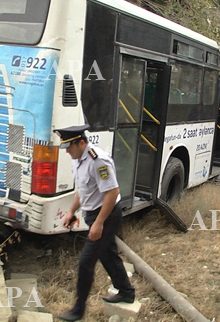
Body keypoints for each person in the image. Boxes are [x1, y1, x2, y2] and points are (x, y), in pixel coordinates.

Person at [55, 124, 135, 322]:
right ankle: (126, 291)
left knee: (86, 263)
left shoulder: (97, 160)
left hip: (106, 215)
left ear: (81, 142)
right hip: (93, 214)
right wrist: (72, 211)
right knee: (108, 255)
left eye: (69, 147)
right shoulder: (78, 159)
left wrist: (99, 223)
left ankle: (78, 310)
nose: (67, 151)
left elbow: (112, 191)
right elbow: (84, 190)